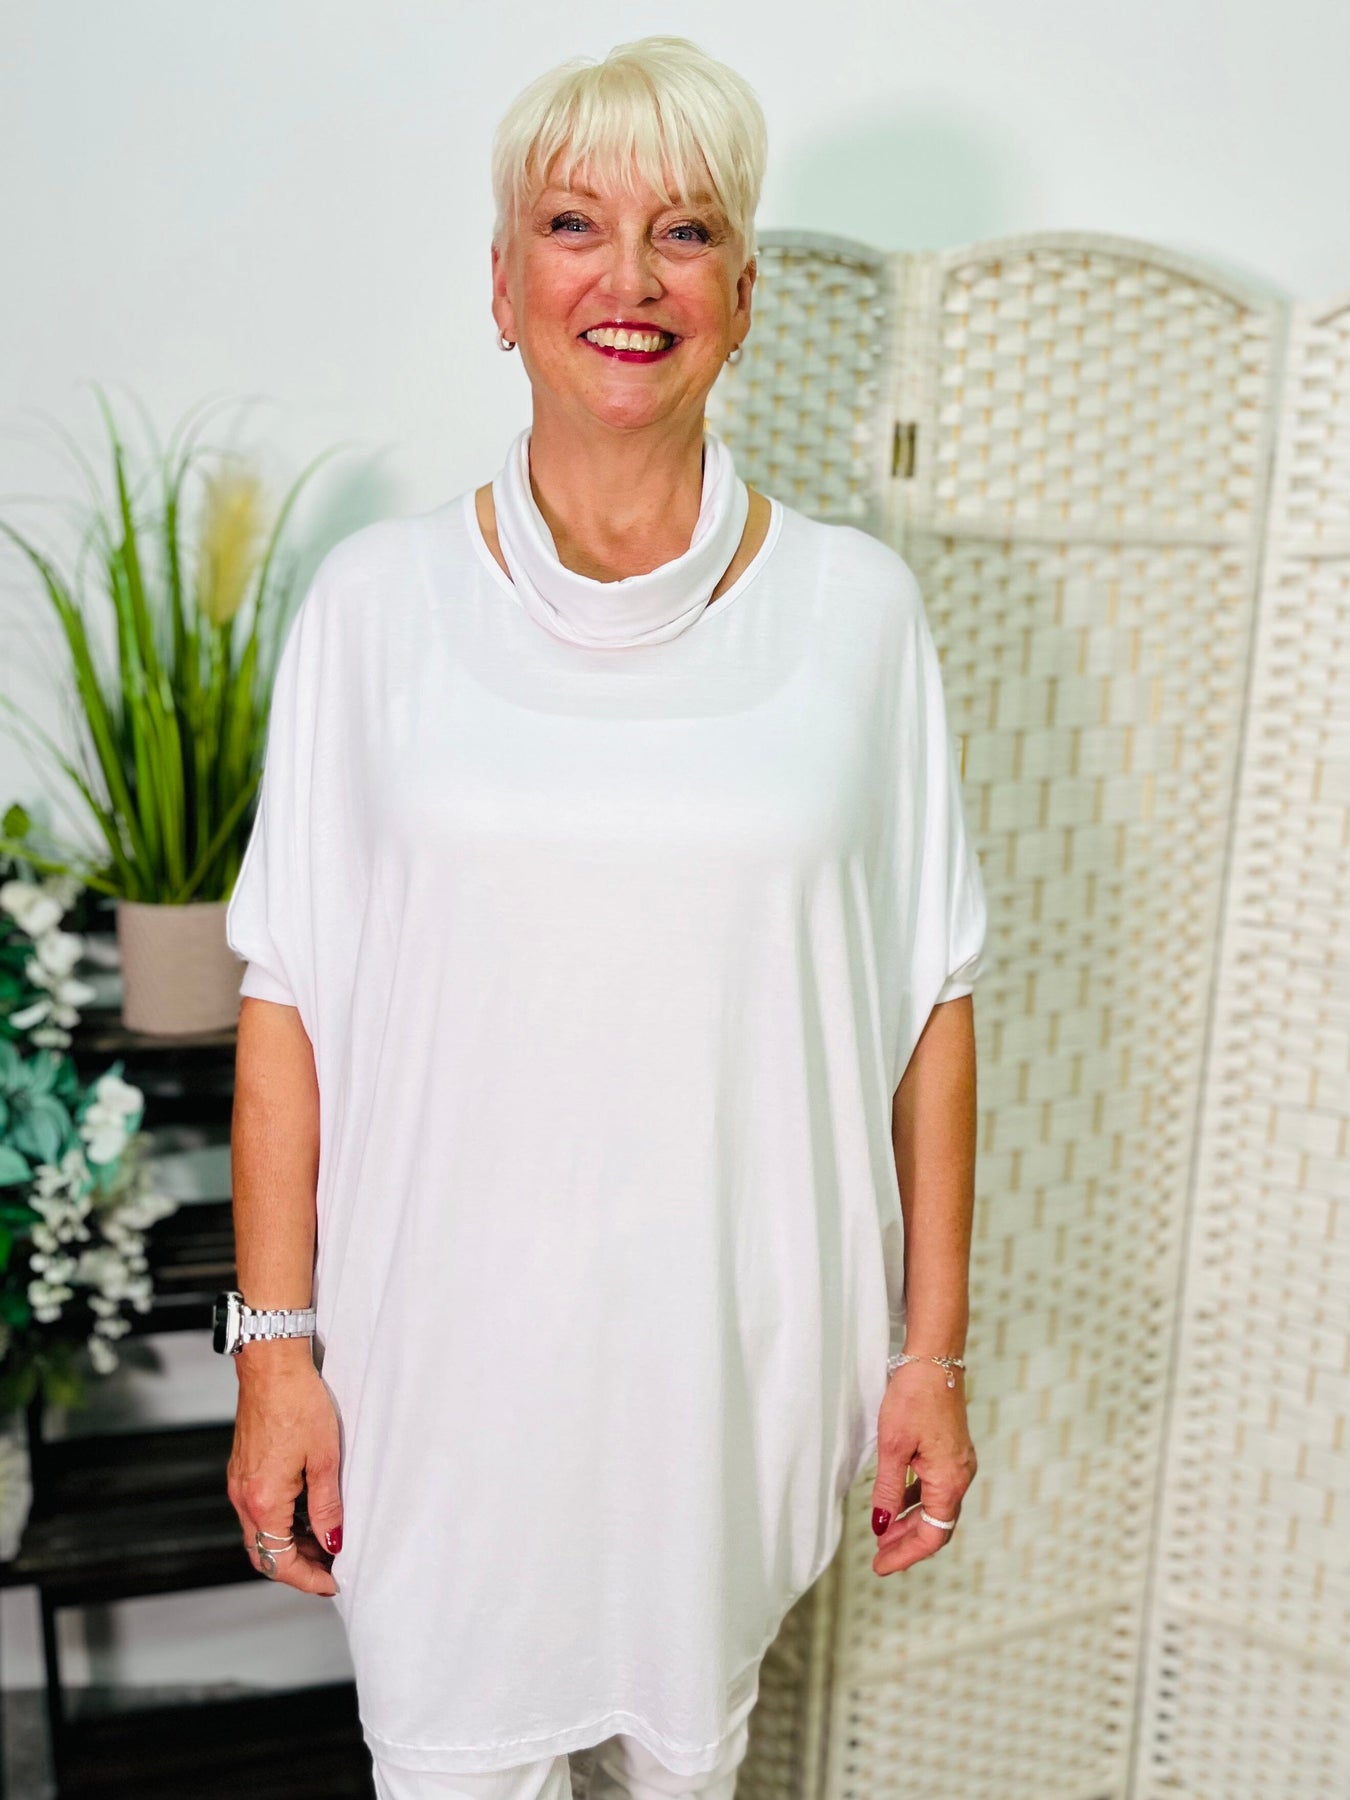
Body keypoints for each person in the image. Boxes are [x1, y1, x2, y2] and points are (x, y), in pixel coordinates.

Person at [222, 34, 987, 1800]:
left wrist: (927, 1360)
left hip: (726, 1383)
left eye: (685, 231)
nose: (628, 278)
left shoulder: (856, 617)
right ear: (502, 285)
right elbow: (287, 1002)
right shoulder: (376, 607)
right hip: (438, 1384)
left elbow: (931, 1000)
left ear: (745, 296)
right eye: (573, 225)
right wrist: (276, 1359)